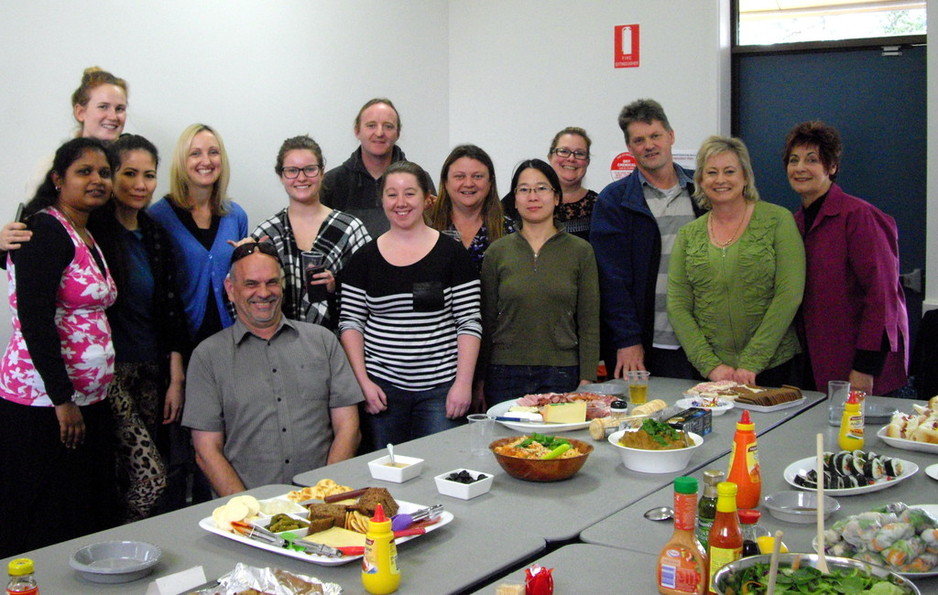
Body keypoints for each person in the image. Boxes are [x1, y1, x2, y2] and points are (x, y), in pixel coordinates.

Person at [0, 138, 119, 556]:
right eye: (84, 172)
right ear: (58, 179)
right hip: (42, 403)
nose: (97, 180)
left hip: (88, 397)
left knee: (80, 510)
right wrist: (62, 399)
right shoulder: (44, 230)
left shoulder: (86, 231)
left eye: (104, 173)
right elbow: (34, 321)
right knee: (44, 516)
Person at [183, 242, 363, 496]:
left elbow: (349, 429)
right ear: (231, 290)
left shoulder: (322, 341)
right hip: (247, 515)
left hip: (323, 503)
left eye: (271, 282)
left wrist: (324, 497)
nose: (263, 292)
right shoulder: (207, 357)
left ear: (283, 285)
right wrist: (250, 513)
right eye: (251, 284)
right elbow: (206, 451)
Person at [339, 161, 481, 449]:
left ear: (427, 199)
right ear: (381, 200)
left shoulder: (453, 254)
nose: (400, 203)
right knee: (386, 480)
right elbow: (351, 322)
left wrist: (462, 384)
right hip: (383, 390)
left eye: (410, 193)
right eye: (392, 194)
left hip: (441, 390)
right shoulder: (364, 259)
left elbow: (469, 321)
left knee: (438, 473)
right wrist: (363, 382)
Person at [88, 135, 187, 521]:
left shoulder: (155, 233)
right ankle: (117, 546)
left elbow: (171, 310)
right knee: (150, 478)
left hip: (152, 372)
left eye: (149, 175)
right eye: (129, 174)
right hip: (109, 375)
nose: (140, 184)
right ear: (111, 176)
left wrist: (176, 377)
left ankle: (131, 554)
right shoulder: (92, 231)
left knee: (136, 477)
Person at [668, 136, 805, 386]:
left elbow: (789, 294)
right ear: (700, 180)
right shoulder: (689, 235)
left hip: (776, 368)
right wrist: (711, 366)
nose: (720, 180)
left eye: (729, 171)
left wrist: (752, 362)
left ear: (745, 177)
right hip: (712, 376)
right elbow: (677, 305)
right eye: (711, 172)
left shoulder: (778, 220)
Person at [784, 121, 909, 395]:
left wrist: (866, 366)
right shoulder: (793, 223)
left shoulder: (859, 216)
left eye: (812, 159)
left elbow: (882, 297)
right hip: (816, 365)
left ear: (832, 167)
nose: (800, 167)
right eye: (794, 160)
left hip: (861, 367)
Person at [590, 99, 705, 380]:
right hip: (647, 345)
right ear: (630, 148)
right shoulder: (613, 202)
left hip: (705, 342)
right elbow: (611, 281)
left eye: (655, 135)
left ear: (671, 135)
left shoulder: (704, 191)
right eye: (639, 140)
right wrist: (627, 339)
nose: (649, 145)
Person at [480, 159, 599, 404]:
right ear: (514, 199)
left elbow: (589, 320)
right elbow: (486, 318)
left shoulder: (580, 251)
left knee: (561, 442)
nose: (532, 197)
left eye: (541, 188)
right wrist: (479, 379)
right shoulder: (497, 251)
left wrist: (587, 377)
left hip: (562, 372)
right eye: (524, 189)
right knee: (504, 442)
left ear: (556, 197)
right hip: (503, 373)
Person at [1, 66, 128, 251]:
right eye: (103, 107)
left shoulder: (127, 166)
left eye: (120, 109)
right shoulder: (52, 166)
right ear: (80, 112)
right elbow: (27, 235)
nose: (113, 116)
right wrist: (4, 243)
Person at [251, 135, 371, 329]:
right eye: (292, 171)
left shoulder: (350, 229)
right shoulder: (267, 233)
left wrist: (336, 286)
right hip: (277, 344)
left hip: (338, 345)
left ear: (322, 172)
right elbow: (248, 294)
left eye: (310, 169)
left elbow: (372, 288)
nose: (301, 178)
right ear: (281, 176)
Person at [148, 124, 248, 346]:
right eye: (195, 153)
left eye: (213, 152)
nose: (206, 161)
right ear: (182, 161)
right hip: (180, 341)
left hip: (231, 338)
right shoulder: (157, 218)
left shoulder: (236, 216)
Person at [321, 98, 434, 237]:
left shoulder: (419, 179)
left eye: (388, 126)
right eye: (371, 125)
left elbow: (432, 231)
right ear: (357, 131)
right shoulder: (332, 182)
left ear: (397, 133)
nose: (380, 133)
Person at [503, 128, 597, 241]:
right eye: (564, 151)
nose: (571, 158)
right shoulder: (517, 201)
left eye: (579, 153)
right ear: (550, 156)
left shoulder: (600, 206)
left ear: (587, 161)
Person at [428, 144, 507, 271]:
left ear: (490, 182)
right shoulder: (427, 227)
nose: (469, 183)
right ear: (445, 182)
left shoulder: (509, 231)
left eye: (477, 176)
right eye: (459, 176)